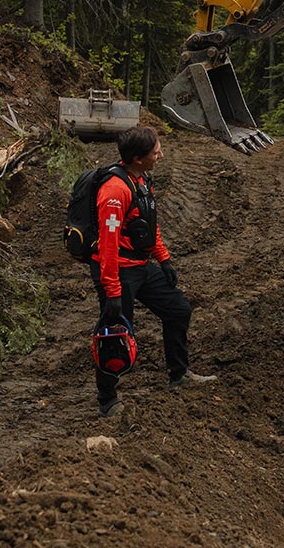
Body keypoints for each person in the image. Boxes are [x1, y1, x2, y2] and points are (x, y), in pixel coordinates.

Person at [91, 125, 214, 416]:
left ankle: (179, 374)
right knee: (114, 333)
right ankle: (108, 400)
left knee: (178, 310)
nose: (160, 154)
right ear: (137, 158)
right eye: (155, 151)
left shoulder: (141, 180)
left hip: (141, 265)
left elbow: (148, 223)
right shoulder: (114, 191)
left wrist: (164, 259)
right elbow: (108, 245)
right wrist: (112, 292)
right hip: (117, 270)